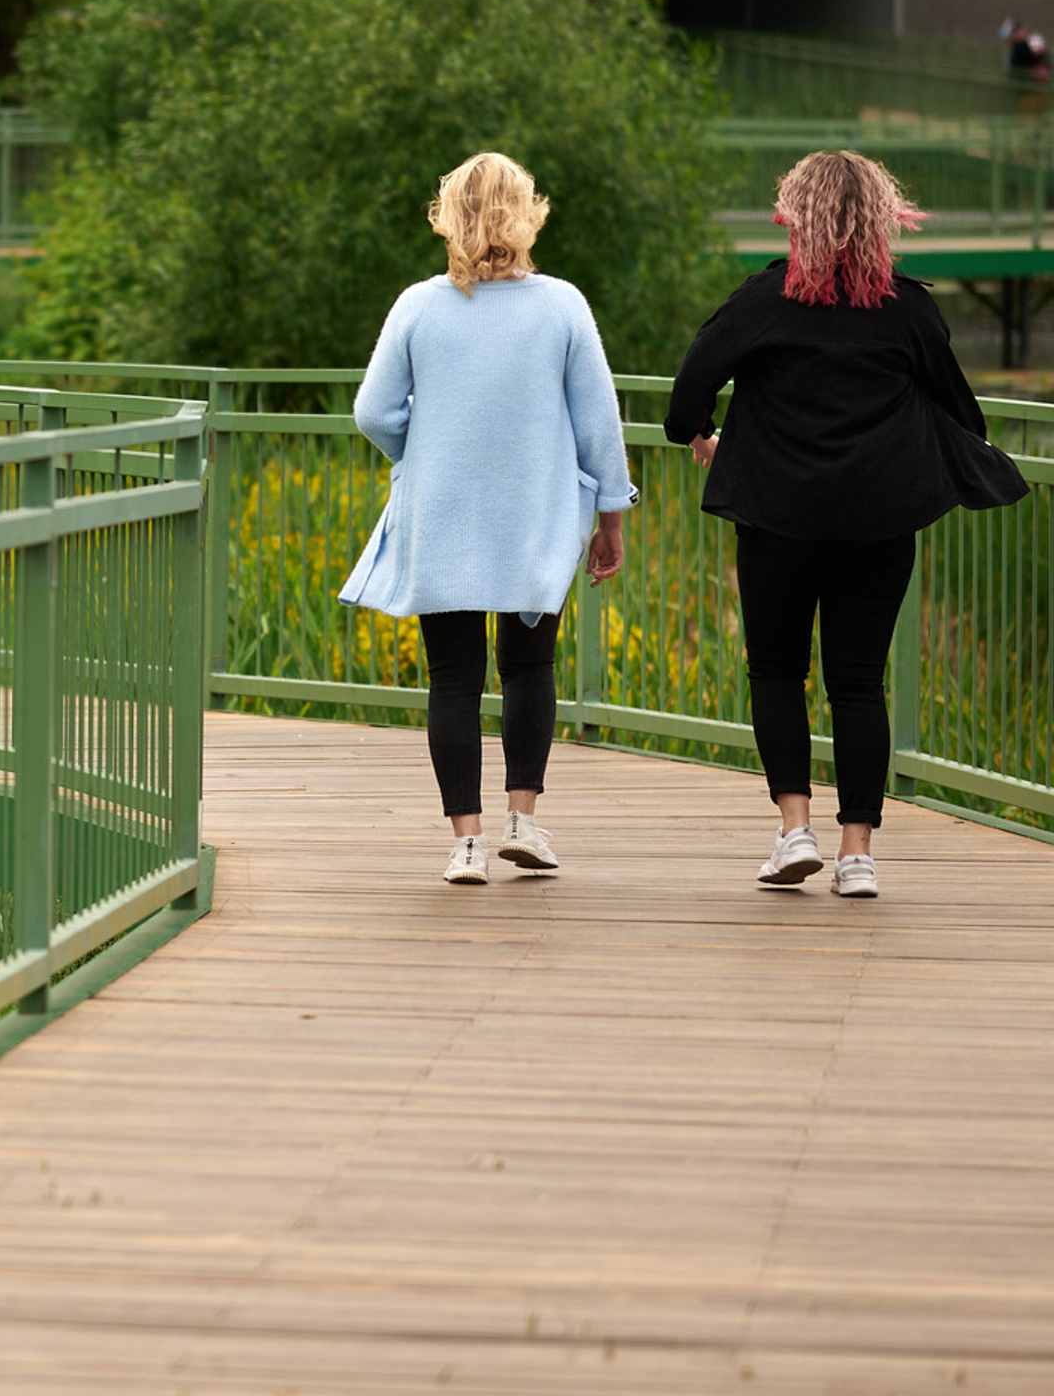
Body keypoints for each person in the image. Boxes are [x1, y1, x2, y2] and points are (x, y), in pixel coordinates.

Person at [664, 150, 1026, 898]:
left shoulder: (762, 301)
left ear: (794, 215)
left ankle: (795, 831)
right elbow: (965, 416)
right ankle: (857, 853)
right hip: (879, 521)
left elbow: (684, 400)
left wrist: (707, 431)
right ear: (882, 219)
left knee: (776, 670)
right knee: (858, 683)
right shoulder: (907, 309)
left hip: (776, 518)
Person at [340, 152, 635, 885]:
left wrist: (422, 443)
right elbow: (599, 421)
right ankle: (523, 821)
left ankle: (465, 842)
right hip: (536, 514)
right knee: (530, 665)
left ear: (450, 216)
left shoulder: (418, 305)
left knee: (453, 677)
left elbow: (372, 412)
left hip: (441, 508)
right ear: (525, 213)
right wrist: (611, 515)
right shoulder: (562, 304)